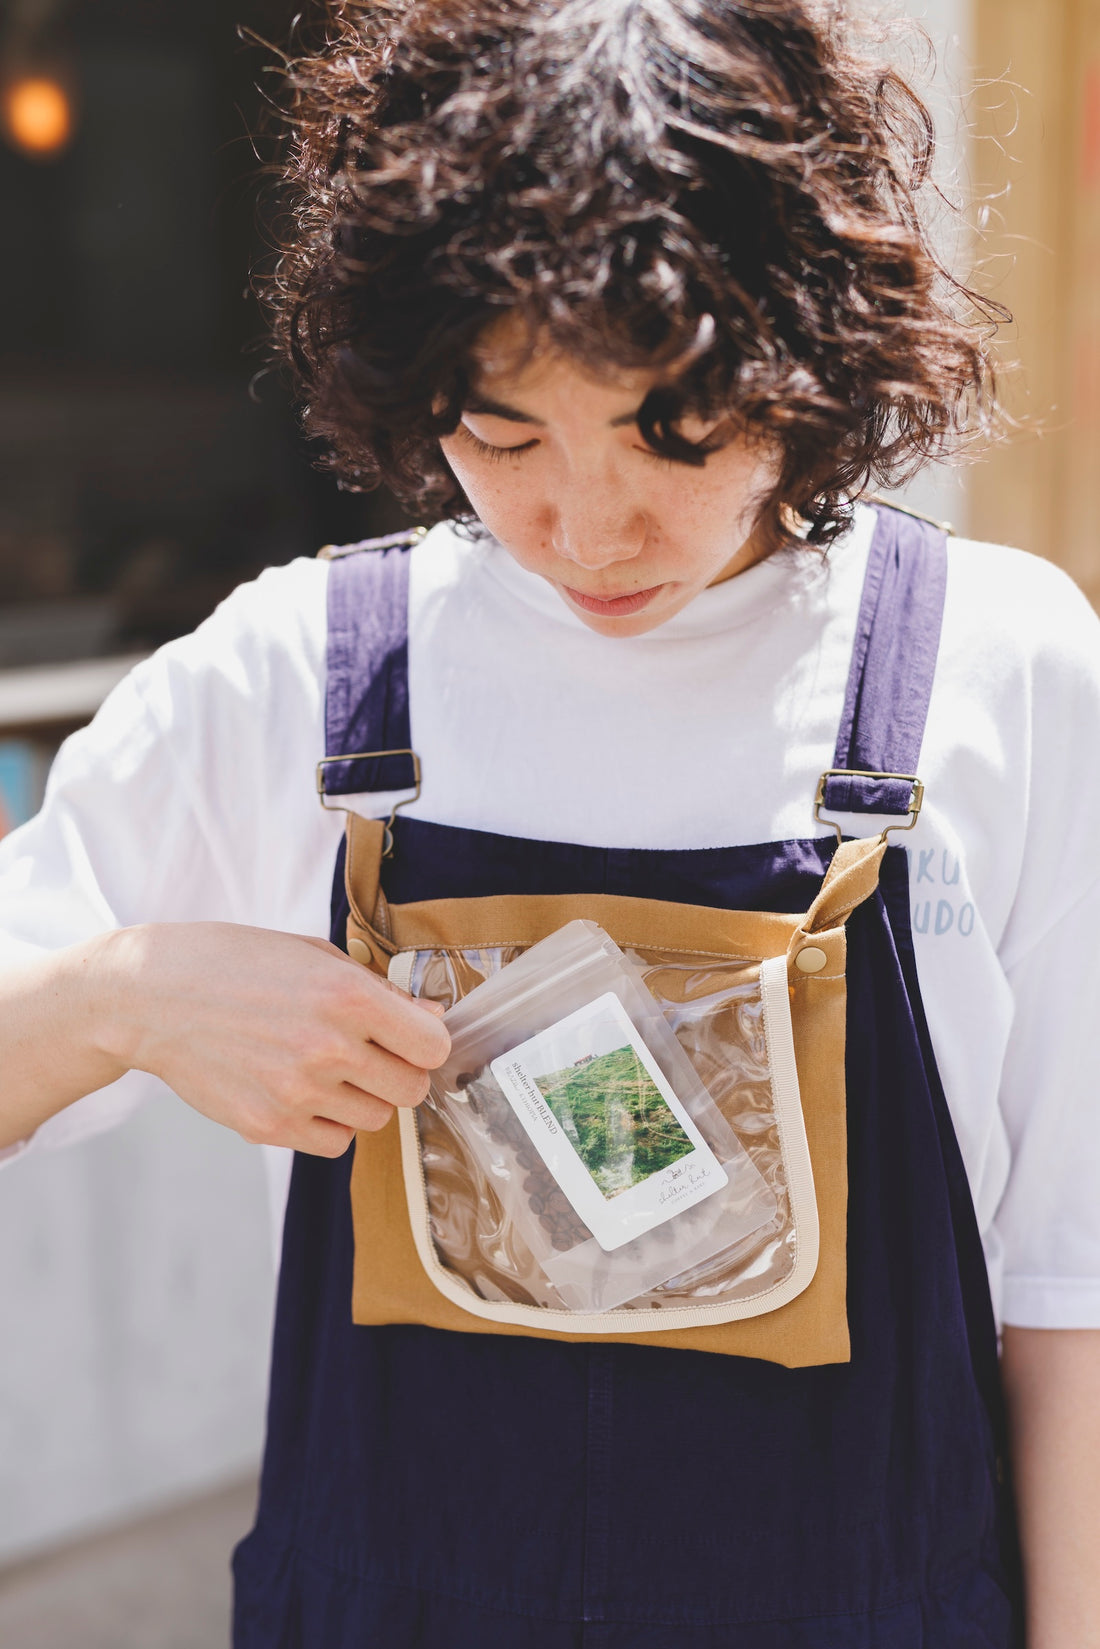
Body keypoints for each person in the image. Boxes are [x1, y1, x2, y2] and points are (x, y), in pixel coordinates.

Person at [2, 0, 1099, 1642]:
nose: (585, 524)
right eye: (499, 431)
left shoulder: (1001, 667)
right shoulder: (307, 672)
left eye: (674, 431)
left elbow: (1073, 1289)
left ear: (812, 358)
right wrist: (127, 998)